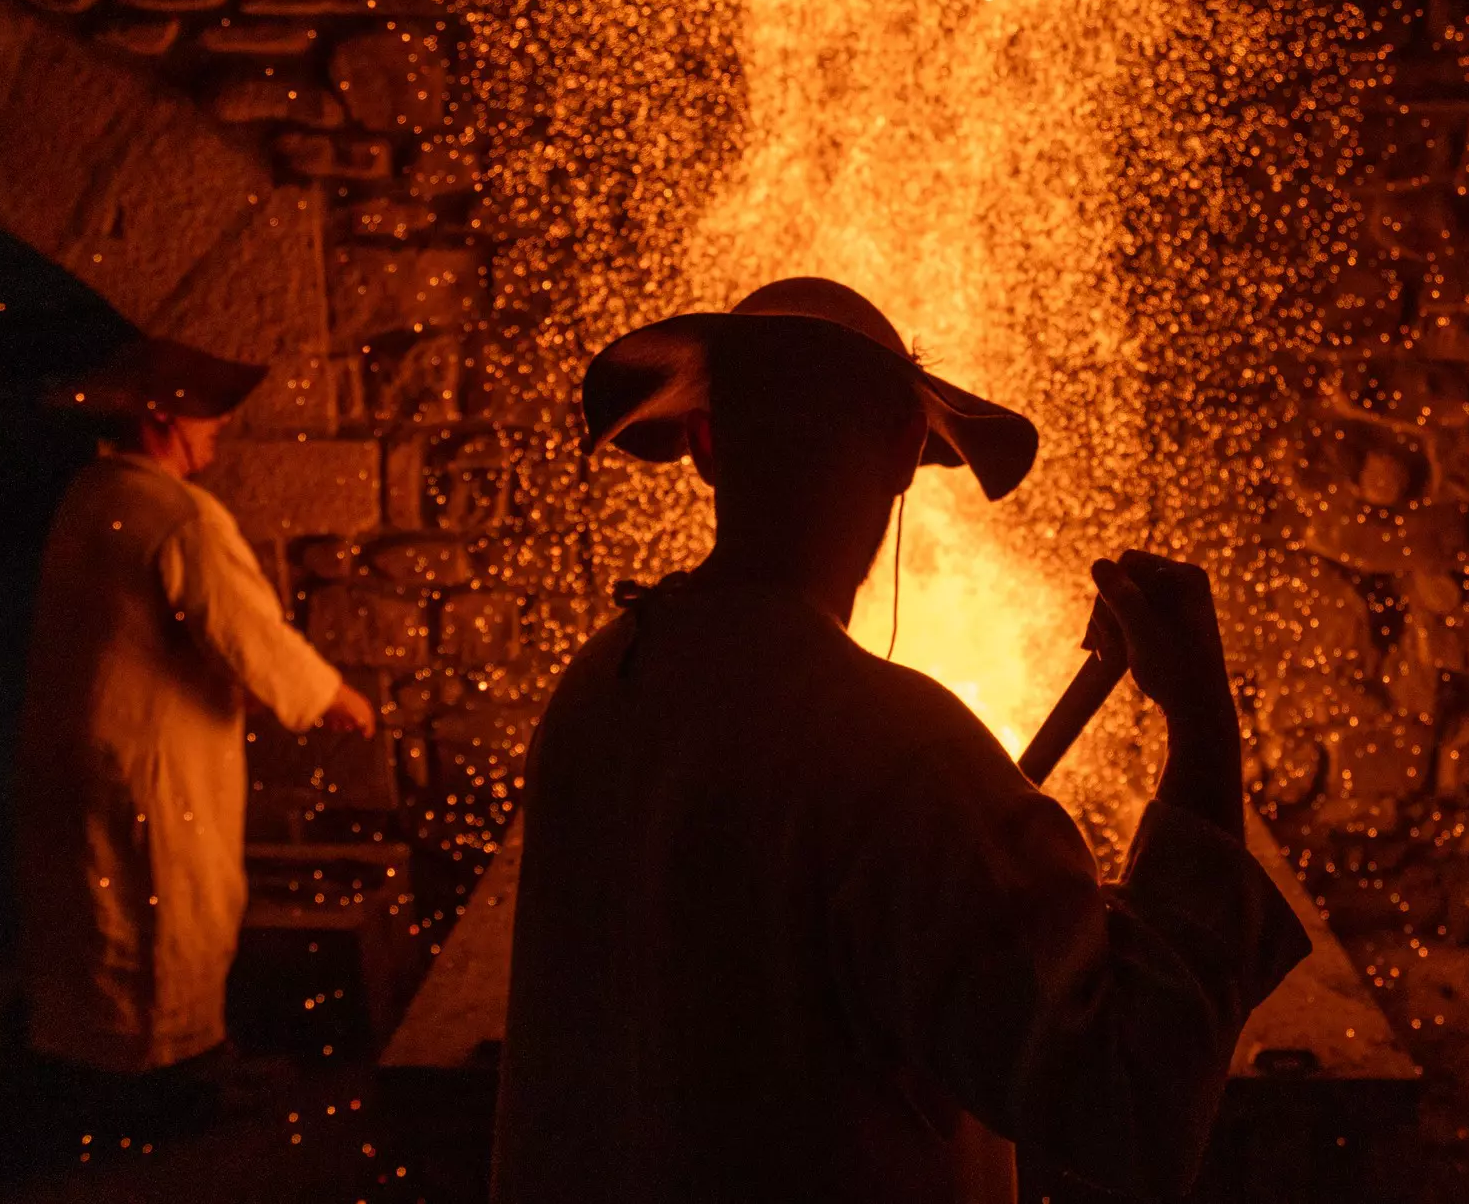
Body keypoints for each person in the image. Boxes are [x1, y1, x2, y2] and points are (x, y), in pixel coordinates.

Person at [493, 278, 1312, 1202]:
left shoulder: (597, 690)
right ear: (904, 450)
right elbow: (1130, 1106)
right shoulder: (899, 755)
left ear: (707, 446)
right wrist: (1204, 728)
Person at [16, 337, 375, 1098]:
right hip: (151, 759)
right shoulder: (180, 516)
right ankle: (177, 1072)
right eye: (204, 418)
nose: (216, 430)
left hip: (84, 745)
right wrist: (330, 694)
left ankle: (89, 1061)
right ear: (161, 421)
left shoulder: (91, 495)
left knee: (97, 905)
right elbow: (243, 628)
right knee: (171, 903)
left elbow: (149, 625)